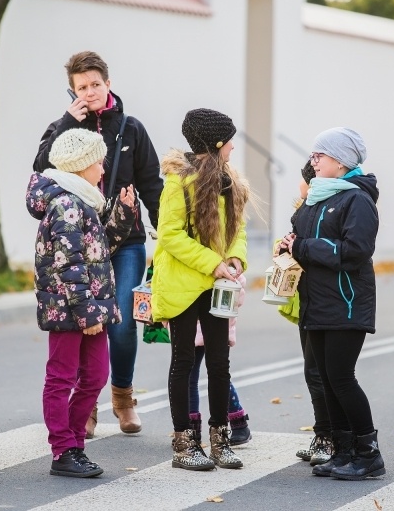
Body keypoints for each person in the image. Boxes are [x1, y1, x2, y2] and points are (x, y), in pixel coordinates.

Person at [34, 51, 163, 435]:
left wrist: (166, 234)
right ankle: (86, 406)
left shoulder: (132, 129)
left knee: (121, 323)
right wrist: (66, 123)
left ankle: (122, 397)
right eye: (81, 87)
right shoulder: (66, 127)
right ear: (72, 91)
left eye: (95, 84)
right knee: (82, 324)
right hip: (79, 243)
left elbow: (152, 184)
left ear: (108, 83)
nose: (89, 92)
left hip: (126, 241)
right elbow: (42, 167)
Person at [26, 128, 136, 478]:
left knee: (96, 375)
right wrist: (87, 313)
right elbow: (68, 264)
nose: (103, 169)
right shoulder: (66, 205)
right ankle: (63, 450)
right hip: (69, 309)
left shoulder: (83, 201)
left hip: (88, 306)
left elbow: (98, 249)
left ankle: (73, 444)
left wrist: (123, 215)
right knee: (61, 378)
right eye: (98, 162)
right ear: (81, 166)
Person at [278, 127, 385, 481]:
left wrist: (304, 248)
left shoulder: (358, 200)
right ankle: (343, 451)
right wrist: (288, 244)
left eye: (319, 155)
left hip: (346, 303)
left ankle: (369, 455)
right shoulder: (317, 197)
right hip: (315, 303)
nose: (313, 160)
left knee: (341, 377)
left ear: (340, 161)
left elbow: (355, 252)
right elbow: (300, 237)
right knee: (326, 377)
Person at [151, 108, 249, 471]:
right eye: (230, 141)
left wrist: (236, 259)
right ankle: (184, 444)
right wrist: (211, 262)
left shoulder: (229, 182)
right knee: (184, 361)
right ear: (215, 144)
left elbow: (237, 229)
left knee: (220, 363)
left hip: (217, 285)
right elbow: (170, 234)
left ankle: (220, 439)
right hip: (183, 285)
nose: (234, 148)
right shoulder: (178, 182)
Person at [279, 162, 332, 467]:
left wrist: (296, 246)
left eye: (302, 181)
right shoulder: (305, 210)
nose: (299, 186)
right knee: (314, 371)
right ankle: (324, 434)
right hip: (309, 299)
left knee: (320, 372)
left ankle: (329, 437)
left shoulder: (318, 209)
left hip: (323, 301)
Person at [188, 273, 251, 446]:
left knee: (217, 372)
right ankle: (192, 430)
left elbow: (238, 287)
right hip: (189, 318)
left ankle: (238, 422)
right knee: (189, 375)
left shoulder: (224, 258)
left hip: (216, 318)